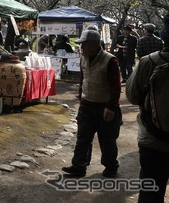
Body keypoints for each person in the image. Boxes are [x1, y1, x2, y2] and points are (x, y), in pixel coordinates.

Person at [62, 29, 122, 178]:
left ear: (94, 44)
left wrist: (110, 107)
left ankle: (111, 166)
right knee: (83, 137)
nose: (81, 48)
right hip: (87, 104)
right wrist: (81, 94)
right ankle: (78, 166)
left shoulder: (110, 60)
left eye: (84, 44)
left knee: (107, 139)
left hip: (105, 107)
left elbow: (116, 86)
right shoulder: (84, 57)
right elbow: (83, 78)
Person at [126, 14, 169, 203]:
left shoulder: (148, 61)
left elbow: (133, 96)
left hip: (154, 141)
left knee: (151, 193)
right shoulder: (153, 42)